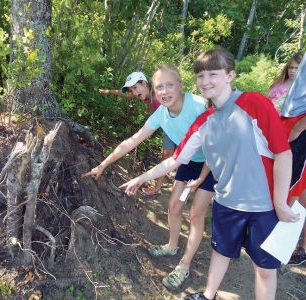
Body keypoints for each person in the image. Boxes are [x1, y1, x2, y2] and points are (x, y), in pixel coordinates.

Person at [120, 47, 299, 300]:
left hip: (264, 206)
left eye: (212, 74)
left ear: (230, 75)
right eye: (201, 76)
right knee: (220, 252)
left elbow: (283, 153)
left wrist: (280, 201)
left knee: (264, 268)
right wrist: (141, 178)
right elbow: (174, 160)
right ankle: (207, 295)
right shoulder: (205, 120)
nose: (205, 82)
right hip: (226, 201)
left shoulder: (255, 103)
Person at [84, 65, 216, 290]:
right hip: (187, 159)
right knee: (174, 206)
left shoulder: (199, 105)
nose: (164, 91)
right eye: (160, 87)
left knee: (196, 214)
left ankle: (184, 265)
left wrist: (203, 177)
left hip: (212, 162)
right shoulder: (160, 114)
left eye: (169, 85)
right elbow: (132, 140)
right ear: (154, 91)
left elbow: (218, 143)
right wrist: (103, 165)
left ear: (180, 86)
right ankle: (172, 246)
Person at [99, 71, 175, 196]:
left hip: (177, 127)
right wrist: (109, 91)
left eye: (135, 87)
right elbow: (127, 95)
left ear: (144, 83)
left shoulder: (159, 95)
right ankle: (159, 187)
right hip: (167, 127)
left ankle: (172, 186)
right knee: (166, 156)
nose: (134, 92)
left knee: (169, 155)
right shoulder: (144, 94)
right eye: (131, 89)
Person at [271, 51, 306, 265]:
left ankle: (282, 246)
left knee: (293, 187)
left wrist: (300, 128)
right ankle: (287, 244)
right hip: (291, 122)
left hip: (299, 126)